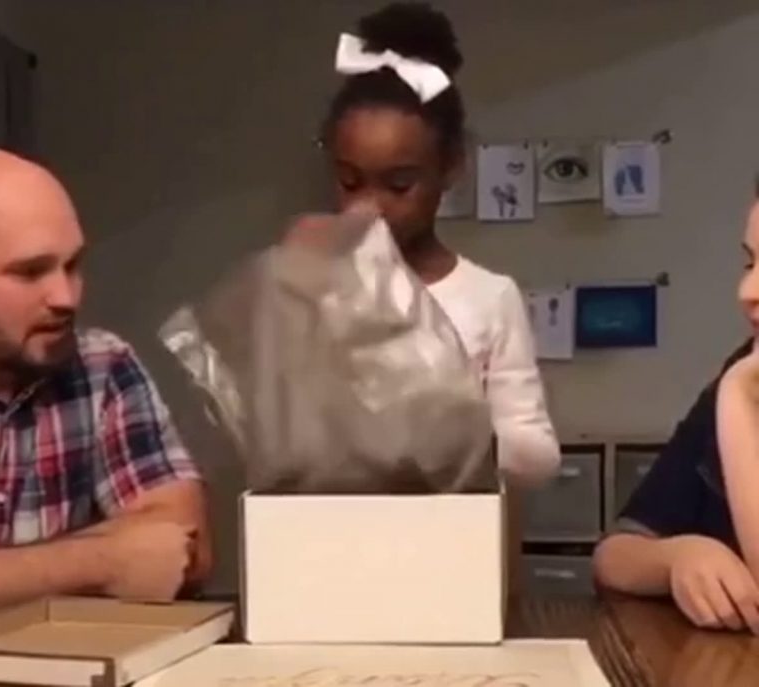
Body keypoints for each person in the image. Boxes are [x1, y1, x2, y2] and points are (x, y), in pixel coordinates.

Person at [320, 2, 559, 485]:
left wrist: (453, 434)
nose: (371, 207)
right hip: (333, 526)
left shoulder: (490, 298)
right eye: (350, 182)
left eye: (399, 185)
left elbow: (537, 457)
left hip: (450, 529)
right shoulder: (316, 292)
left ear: (450, 167)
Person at [0, 148, 211, 606]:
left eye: (72, 266)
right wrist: (100, 562)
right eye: (30, 272)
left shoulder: (101, 365)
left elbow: (181, 551)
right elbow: (131, 558)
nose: (65, 297)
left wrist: (18, 575)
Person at [593, 196, 759, 635]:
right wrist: (677, 556)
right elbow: (614, 555)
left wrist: (738, 396)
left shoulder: (742, 383)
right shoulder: (744, 371)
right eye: (750, 263)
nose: (747, 292)